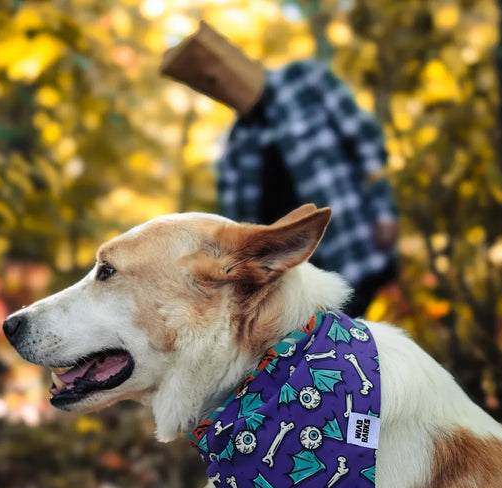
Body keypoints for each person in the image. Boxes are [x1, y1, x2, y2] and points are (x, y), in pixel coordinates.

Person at [160, 22, 398, 317]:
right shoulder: (235, 145)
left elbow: (366, 143)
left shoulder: (306, 80)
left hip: (351, 243)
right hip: (295, 273)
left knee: (367, 331)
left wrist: (384, 212)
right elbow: (240, 225)